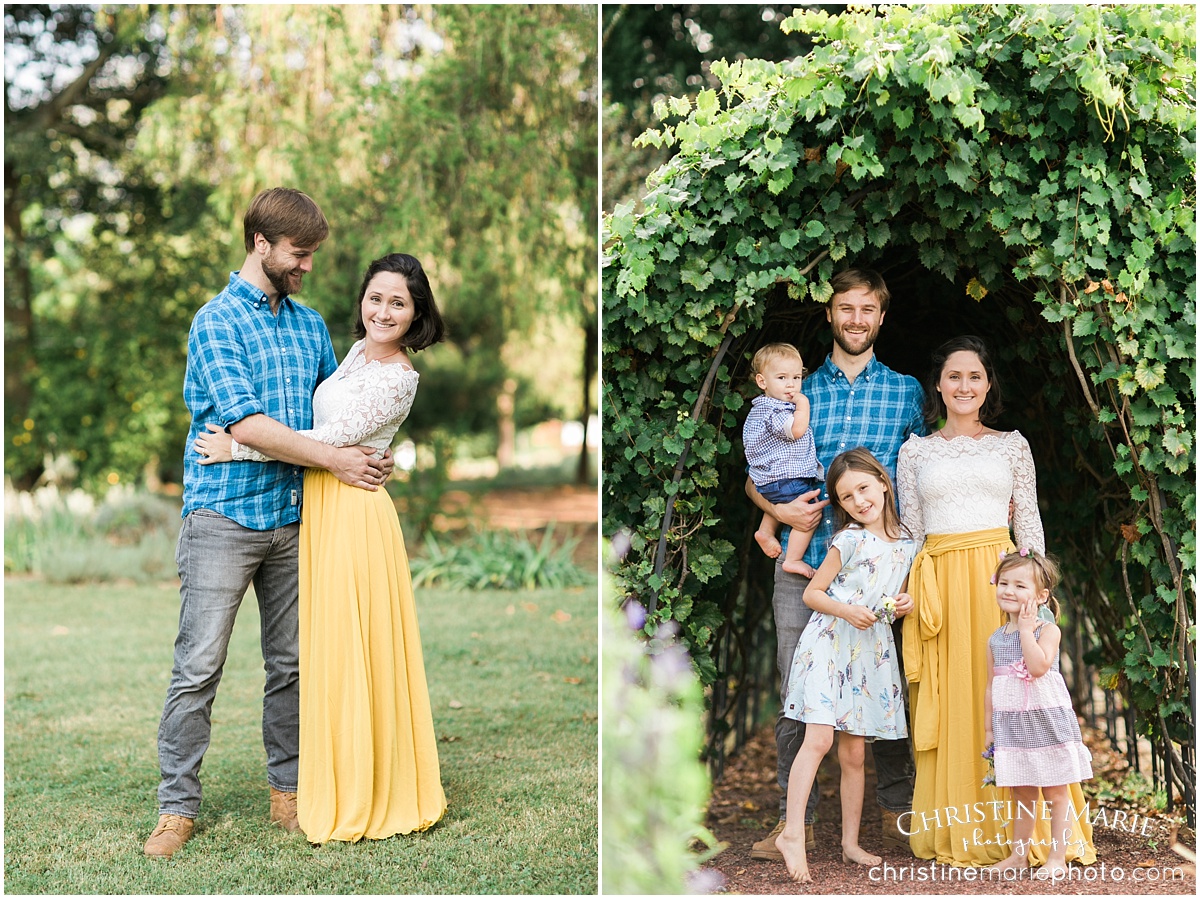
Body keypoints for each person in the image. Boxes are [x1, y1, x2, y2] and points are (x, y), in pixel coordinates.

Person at [144, 188, 393, 859]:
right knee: (198, 666)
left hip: (295, 516)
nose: (307, 265)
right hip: (223, 516)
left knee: (291, 665)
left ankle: (288, 791)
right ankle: (176, 809)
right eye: (299, 253)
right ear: (261, 243)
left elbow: (333, 414)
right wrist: (335, 457)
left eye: (311, 254)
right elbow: (246, 423)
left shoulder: (310, 325)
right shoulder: (216, 322)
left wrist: (367, 448)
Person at [195, 253, 449, 843]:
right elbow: (332, 430)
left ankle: (368, 787)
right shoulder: (356, 353)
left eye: (399, 303)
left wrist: (240, 448)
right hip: (323, 508)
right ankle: (331, 775)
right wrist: (378, 454)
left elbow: (329, 439)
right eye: (376, 297)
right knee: (326, 652)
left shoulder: (399, 377)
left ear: (417, 315)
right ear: (363, 300)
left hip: (355, 516)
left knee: (355, 649)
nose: (383, 311)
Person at [746, 268, 926, 861]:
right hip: (809, 567)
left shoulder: (905, 391)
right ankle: (793, 825)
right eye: (844, 308)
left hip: (879, 576)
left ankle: (898, 816)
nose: (855, 319)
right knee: (798, 694)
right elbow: (759, 475)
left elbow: (919, 480)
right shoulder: (796, 389)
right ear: (829, 314)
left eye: (866, 309)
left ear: (881, 315)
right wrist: (774, 509)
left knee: (891, 687)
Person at [896, 334, 1095, 866]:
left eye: (975, 377)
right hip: (939, 583)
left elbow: (1027, 521)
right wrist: (904, 592)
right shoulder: (914, 451)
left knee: (1015, 696)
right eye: (954, 376)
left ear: (988, 385)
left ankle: (1030, 839)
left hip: (1000, 583)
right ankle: (964, 830)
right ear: (938, 384)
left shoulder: (1013, 445)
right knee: (961, 699)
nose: (964, 385)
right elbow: (912, 530)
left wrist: (1038, 596)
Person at [775, 448, 918, 883]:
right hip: (831, 642)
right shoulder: (848, 539)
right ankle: (792, 833)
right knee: (818, 740)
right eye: (846, 496)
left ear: (883, 483)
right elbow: (812, 594)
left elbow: (894, 601)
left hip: (869, 652)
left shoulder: (910, 544)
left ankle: (850, 843)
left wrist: (903, 606)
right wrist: (845, 611)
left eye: (863, 488)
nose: (858, 500)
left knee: (855, 752)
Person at [985, 550, 1093, 879]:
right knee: (1022, 791)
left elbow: (1037, 666)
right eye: (1004, 583)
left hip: (1046, 722)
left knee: (1056, 792)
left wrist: (1025, 629)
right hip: (1013, 727)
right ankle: (1018, 857)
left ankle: (1057, 857)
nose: (1009, 591)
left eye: (1020, 585)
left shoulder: (1047, 631)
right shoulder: (993, 639)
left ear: (1041, 596)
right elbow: (991, 687)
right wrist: (989, 731)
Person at [743, 343, 824, 577]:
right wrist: (803, 404)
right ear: (762, 382)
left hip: (771, 480)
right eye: (782, 377)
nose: (791, 384)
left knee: (784, 499)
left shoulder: (761, 408)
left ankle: (765, 531)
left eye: (797, 377)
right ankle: (793, 559)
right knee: (807, 514)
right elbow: (797, 430)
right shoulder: (775, 411)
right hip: (783, 478)